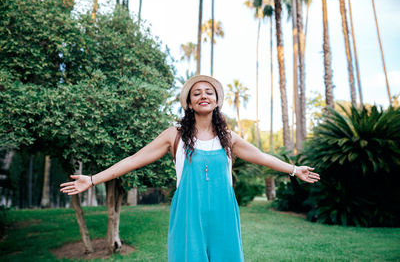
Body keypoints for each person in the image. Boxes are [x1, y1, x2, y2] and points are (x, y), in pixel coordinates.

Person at [60, 75, 320, 261]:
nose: (203, 96)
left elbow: (261, 156)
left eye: (209, 92)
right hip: (188, 213)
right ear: (189, 103)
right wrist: (92, 179)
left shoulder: (229, 138)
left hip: (223, 214)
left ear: (217, 101)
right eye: (197, 93)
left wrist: (294, 169)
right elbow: (132, 160)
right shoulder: (173, 136)